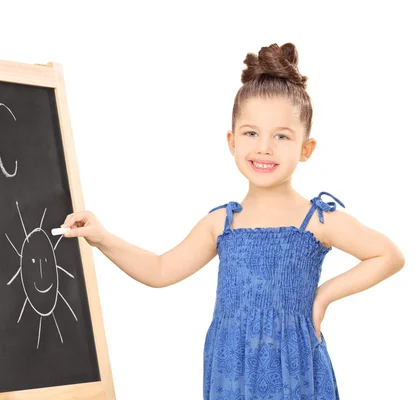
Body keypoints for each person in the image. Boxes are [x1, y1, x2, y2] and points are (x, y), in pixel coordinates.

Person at [59, 42, 405, 399]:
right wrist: (101, 237)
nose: (264, 148)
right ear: (232, 141)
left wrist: (322, 298)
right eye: (251, 133)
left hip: (295, 370)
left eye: (282, 136)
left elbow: (388, 255)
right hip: (231, 369)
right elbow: (160, 270)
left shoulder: (316, 220)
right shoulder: (221, 223)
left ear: (306, 148)